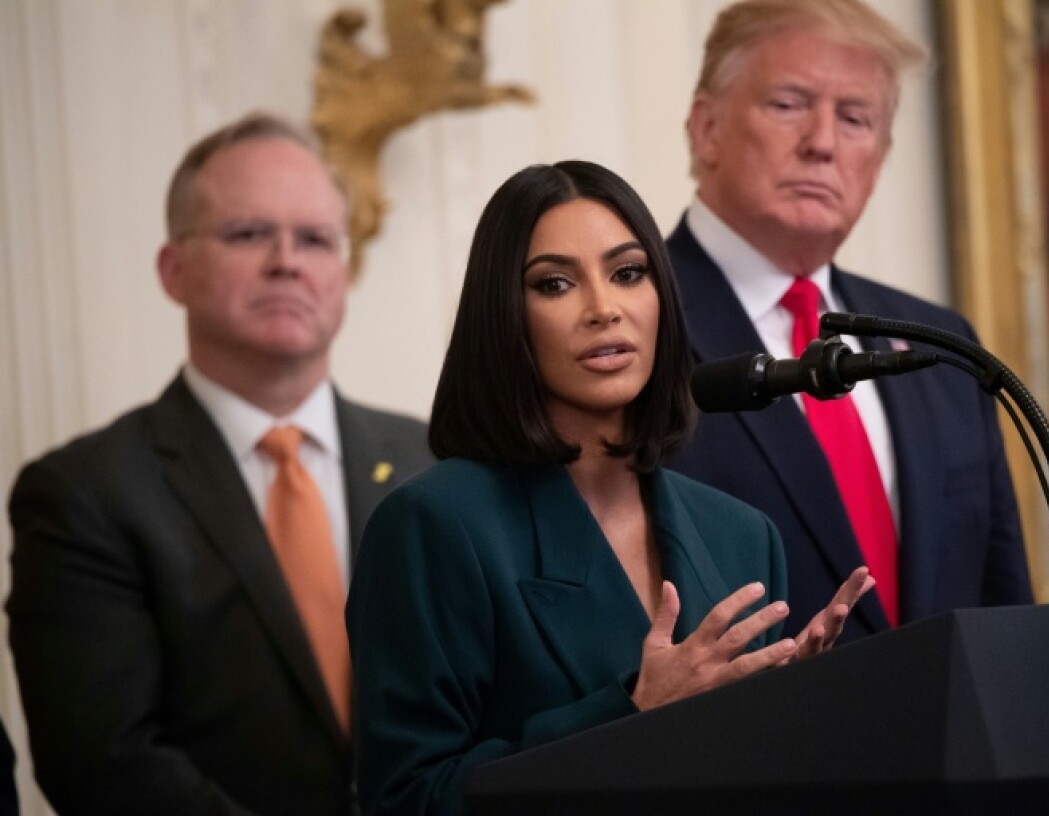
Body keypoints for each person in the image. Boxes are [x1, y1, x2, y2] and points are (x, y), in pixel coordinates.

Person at [347, 160, 874, 814]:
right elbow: (405, 801)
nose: (604, 309)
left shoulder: (744, 535)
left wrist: (787, 717)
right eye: (556, 283)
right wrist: (631, 713)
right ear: (504, 315)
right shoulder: (432, 526)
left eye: (628, 274)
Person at [7, 112, 433, 815]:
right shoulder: (85, 493)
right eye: (248, 234)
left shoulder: (432, 461)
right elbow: (104, 763)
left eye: (316, 239)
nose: (287, 260)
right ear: (173, 271)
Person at [667, 0, 1033, 642]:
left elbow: (1005, 617)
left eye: (855, 118)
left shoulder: (943, 345)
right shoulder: (633, 332)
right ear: (706, 128)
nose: (822, 143)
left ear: (881, 156)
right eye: (787, 105)